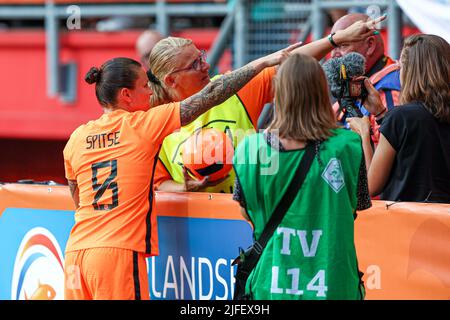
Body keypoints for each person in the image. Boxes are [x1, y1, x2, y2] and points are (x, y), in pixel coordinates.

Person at [62, 46, 296, 300]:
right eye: (144, 86)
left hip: (76, 252)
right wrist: (261, 63)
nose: (151, 91)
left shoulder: (77, 136)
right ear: (126, 94)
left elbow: (77, 195)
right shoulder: (143, 124)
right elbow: (211, 95)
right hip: (116, 254)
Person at [148, 15, 386, 193]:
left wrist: (336, 40)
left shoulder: (232, 89)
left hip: (249, 219)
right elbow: (158, 183)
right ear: (171, 80)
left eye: (201, 56)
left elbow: (291, 65)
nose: (206, 66)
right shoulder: (153, 121)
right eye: (194, 64)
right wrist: (185, 188)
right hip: (202, 229)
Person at [232, 54, 371, 300]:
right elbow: (358, 203)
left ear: (279, 93)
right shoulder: (347, 145)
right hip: (335, 285)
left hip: (271, 285)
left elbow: (246, 211)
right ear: (321, 91)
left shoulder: (251, 149)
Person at [348, 34, 450, 203]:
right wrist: (381, 114)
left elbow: (370, 187)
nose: (397, 71)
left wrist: (364, 134)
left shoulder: (401, 117)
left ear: (410, 71)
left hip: (410, 224)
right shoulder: (401, 118)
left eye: (400, 66)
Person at [331, 13, 401, 144]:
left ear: (370, 45)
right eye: (333, 47)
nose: (333, 54)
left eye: (342, 45)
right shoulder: (355, 83)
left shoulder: (389, 91)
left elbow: (392, 158)